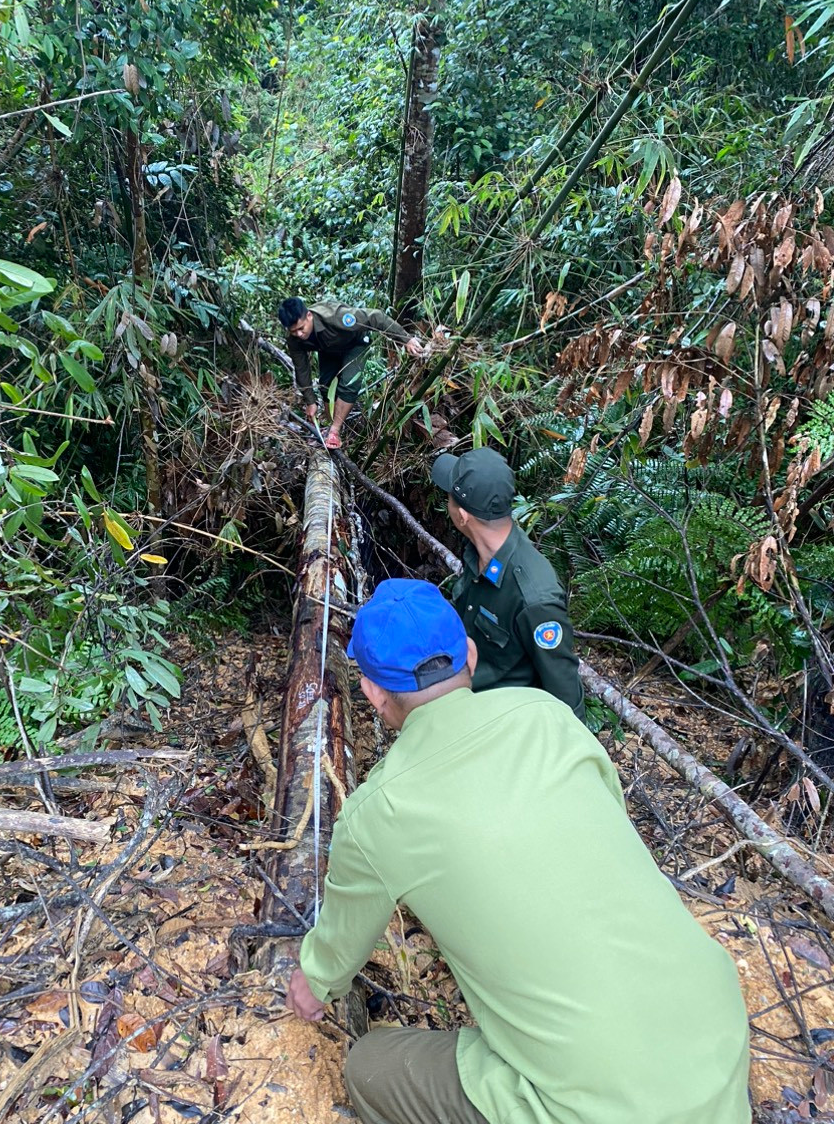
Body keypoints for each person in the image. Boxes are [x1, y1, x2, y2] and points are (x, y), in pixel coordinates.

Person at [285, 578, 751, 1124]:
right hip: (719, 1045)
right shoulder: (546, 714)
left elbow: (332, 961)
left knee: (370, 1067)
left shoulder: (377, 812)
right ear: (471, 653)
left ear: (371, 691)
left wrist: (311, 983)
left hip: (603, 1105)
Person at [431, 446, 585, 720]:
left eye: (450, 498)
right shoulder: (477, 553)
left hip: (504, 726)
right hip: (464, 702)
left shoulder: (534, 598)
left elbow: (565, 695)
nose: (447, 503)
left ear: (463, 516)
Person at [278, 297, 425, 449]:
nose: (300, 334)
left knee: (349, 383)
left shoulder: (335, 317)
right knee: (325, 387)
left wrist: (405, 339)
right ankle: (331, 425)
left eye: (301, 328)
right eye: (294, 331)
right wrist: (310, 401)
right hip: (328, 349)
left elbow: (376, 317)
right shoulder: (294, 339)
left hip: (355, 343)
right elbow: (301, 369)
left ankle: (335, 430)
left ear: (309, 316)